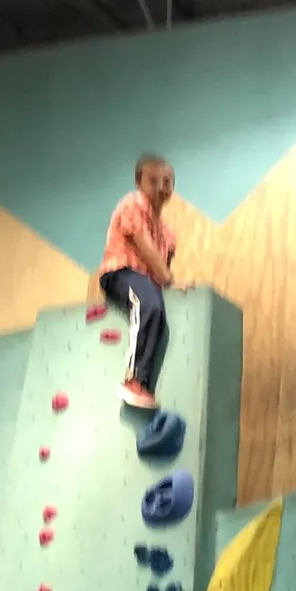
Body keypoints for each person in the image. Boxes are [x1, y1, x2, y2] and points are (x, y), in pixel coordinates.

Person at [99, 154, 180, 411]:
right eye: (153, 181)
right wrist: (168, 280)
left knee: (155, 307)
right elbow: (145, 249)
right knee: (148, 304)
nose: (161, 188)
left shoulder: (167, 232)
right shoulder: (131, 205)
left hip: (146, 280)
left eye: (167, 182)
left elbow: (162, 267)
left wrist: (168, 282)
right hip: (121, 272)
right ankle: (133, 379)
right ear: (138, 181)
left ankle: (143, 383)